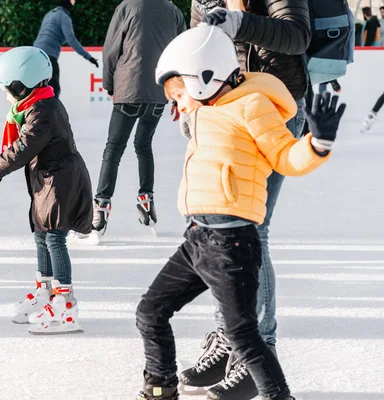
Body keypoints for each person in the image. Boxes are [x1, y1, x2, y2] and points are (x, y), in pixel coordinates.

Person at [136, 25, 345, 400]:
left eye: (179, 94)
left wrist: (317, 142)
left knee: (242, 334)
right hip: (196, 239)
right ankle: (160, 387)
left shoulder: (252, 106)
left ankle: (278, 396)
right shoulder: (206, 110)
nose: (178, 104)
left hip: (231, 241)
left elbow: (285, 157)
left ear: (204, 77)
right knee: (150, 312)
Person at [180, 1, 311, 397]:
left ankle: (258, 351)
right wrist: (189, 101)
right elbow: (194, 45)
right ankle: (230, 339)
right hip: (223, 113)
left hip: (273, 111)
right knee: (218, 226)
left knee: (250, 228)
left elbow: (296, 35)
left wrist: (240, 22)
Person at [0, 46, 93, 335]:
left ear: (22, 85)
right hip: (48, 179)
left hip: (60, 181)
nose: (6, 94)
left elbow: (22, 149)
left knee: (55, 238)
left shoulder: (43, 111)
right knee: (42, 236)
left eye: (8, 88)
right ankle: (45, 293)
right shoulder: (37, 105)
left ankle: (65, 304)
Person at [91, 0, 186, 237]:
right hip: (158, 92)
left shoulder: (127, 7)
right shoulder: (173, 11)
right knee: (143, 146)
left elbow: (111, 50)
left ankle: (101, 207)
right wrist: (178, 95)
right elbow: (182, 53)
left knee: (113, 149)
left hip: (128, 90)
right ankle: (146, 200)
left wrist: (109, 84)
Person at [33, 0, 98, 98]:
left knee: (39, 89)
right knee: (53, 90)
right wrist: (89, 58)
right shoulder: (63, 17)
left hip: (35, 54)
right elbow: (71, 40)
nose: (74, 2)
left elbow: (49, 35)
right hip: (48, 57)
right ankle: (52, 113)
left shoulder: (50, 14)